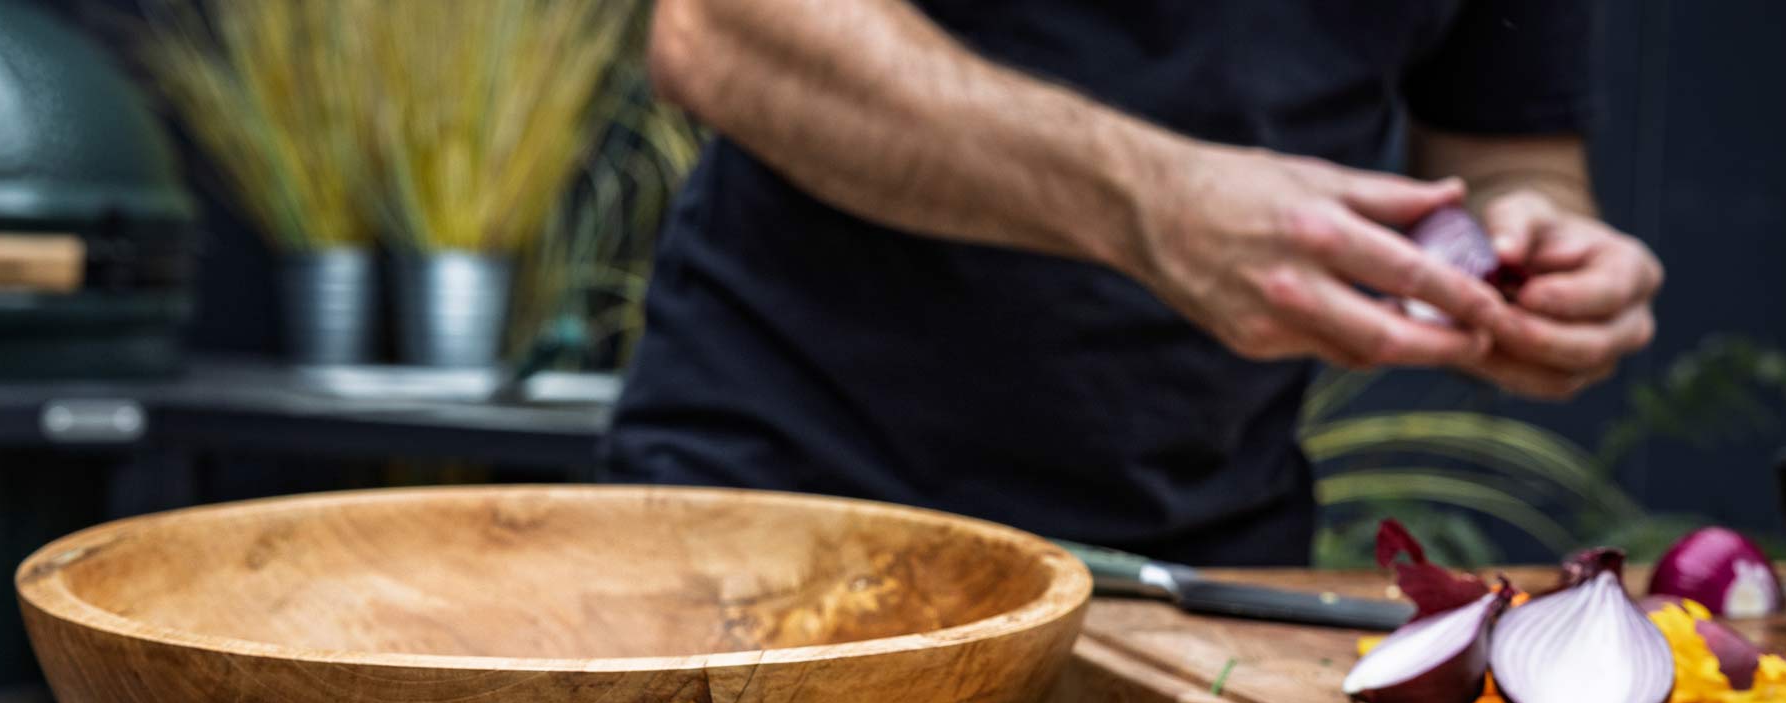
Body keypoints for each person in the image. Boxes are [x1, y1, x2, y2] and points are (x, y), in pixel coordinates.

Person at [598, 0, 1663, 566]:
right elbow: (723, 31)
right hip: (782, 516)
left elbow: (1509, 154)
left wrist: (1544, 245)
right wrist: (1150, 201)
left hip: (1201, 564)